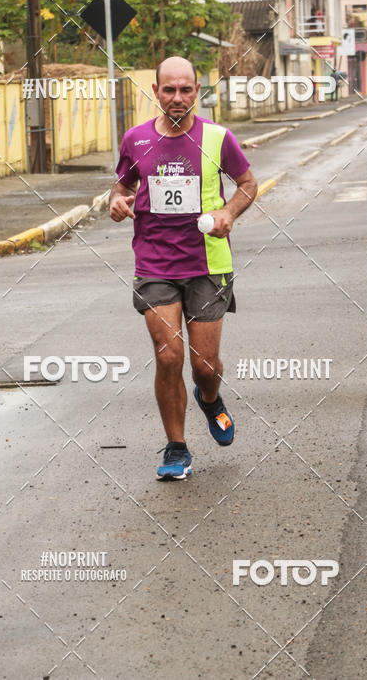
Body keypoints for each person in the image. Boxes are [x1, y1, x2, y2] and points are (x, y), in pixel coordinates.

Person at [110, 56, 258, 481]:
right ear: (155, 92)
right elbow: (121, 190)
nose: (177, 98)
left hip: (208, 264)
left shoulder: (217, 138)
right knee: (169, 355)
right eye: (169, 90)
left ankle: (210, 400)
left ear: (197, 91)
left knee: (204, 365)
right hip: (155, 263)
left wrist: (230, 212)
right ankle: (177, 447)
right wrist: (117, 203)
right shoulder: (136, 140)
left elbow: (248, 183)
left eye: (186, 89)